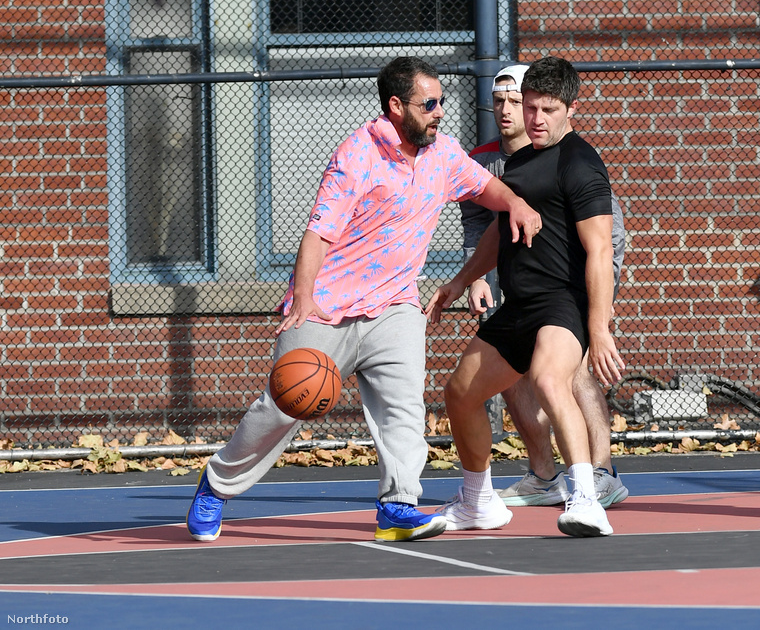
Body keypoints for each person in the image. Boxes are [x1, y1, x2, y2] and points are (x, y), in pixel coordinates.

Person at [186, 56, 542, 544]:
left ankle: (398, 506)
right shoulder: (357, 153)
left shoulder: (444, 153)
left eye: (441, 101)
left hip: (395, 305)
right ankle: (216, 485)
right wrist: (303, 301)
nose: (440, 111)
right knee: (284, 407)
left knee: (404, 409)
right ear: (396, 106)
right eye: (429, 103)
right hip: (327, 306)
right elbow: (318, 233)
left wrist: (517, 203)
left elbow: (485, 187)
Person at [427, 55, 625, 538]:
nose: (535, 119)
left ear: (570, 109)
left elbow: (600, 249)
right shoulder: (519, 160)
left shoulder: (581, 164)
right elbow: (500, 232)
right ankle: (477, 503)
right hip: (518, 304)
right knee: (460, 393)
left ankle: (586, 500)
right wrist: (460, 280)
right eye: (528, 107)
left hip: (562, 301)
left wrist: (598, 329)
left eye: (547, 110)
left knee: (549, 379)